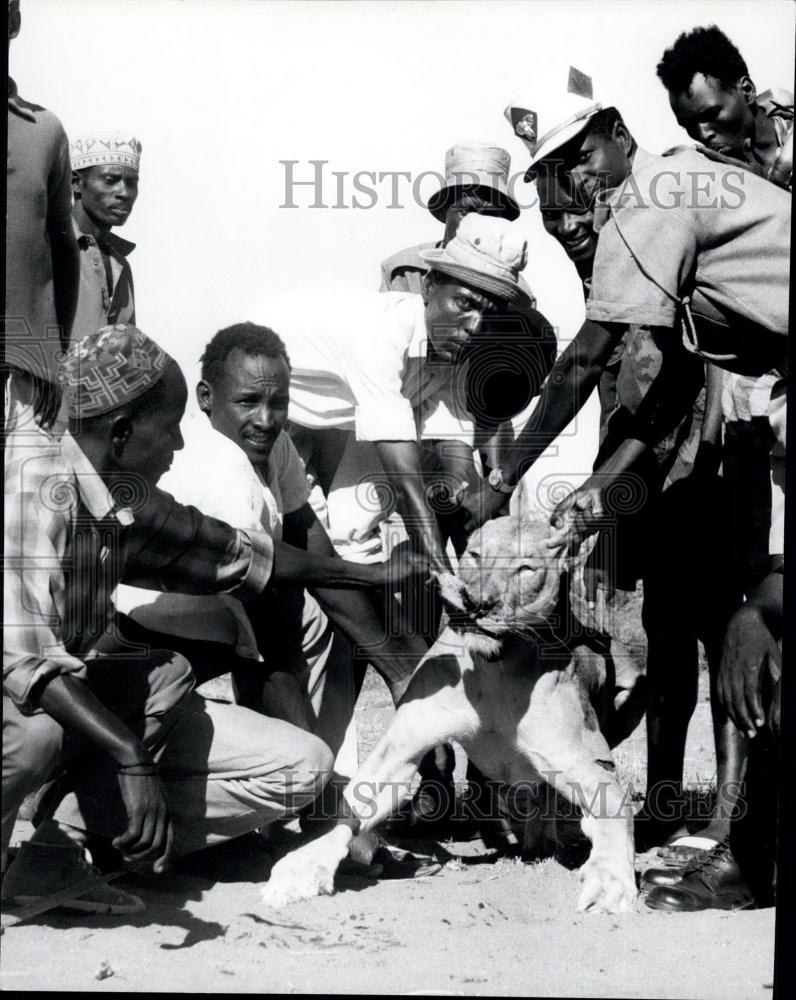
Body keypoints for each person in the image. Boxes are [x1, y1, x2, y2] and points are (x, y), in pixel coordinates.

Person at [2, 324, 427, 915]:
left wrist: (372, 576)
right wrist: (129, 754)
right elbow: (24, 662)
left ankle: (60, 846)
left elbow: (232, 552)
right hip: (21, 699)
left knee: (285, 754)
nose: (179, 444)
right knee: (35, 731)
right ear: (121, 433)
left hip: (67, 692)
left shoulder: (119, 494)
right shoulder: (34, 488)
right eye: (170, 426)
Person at [530, 119, 741, 859]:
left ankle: (727, 817)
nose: (568, 227)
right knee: (663, 638)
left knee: (718, 637)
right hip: (640, 484)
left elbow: (704, 373)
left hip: (693, 473)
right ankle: (662, 799)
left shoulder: (655, 240)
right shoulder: (601, 282)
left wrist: (699, 455)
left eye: (576, 211)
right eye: (555, 219)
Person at [113, 323, 429, 774]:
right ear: (206, 398)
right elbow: (268, 649)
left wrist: (401, 679)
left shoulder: (273, 444)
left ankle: (310, 775)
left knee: (329, 618)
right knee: (284, 629)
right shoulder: (223, 474)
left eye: (277, 402)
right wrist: (312, 771)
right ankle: (306, 785)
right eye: (247, 402)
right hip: (158, 632)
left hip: (226, 609)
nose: (266, 418)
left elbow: (316, 551)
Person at [248, 214, 553, 577]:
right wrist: (447, 579)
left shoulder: (457, 350)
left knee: (352, 527)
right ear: (428, 286)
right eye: (464, 304)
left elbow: (453, 447)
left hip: (346, 415)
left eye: (487, 315)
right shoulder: (381, 334)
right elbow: (407, 483)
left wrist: (464, 490)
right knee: (281, 538)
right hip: (263, 411)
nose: (473, 327)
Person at [5, 0, 79, 438]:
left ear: (13, 22)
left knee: (28, 505)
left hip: (23, 379)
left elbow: (62, 249)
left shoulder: (44, 130)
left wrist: (54, 358)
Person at [70, 130, 141, 344]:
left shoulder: (120, 264)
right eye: (111, 180)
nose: (125, 193)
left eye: (132, 183)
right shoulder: (44, 246)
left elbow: (125, 353)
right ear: (76, 182)